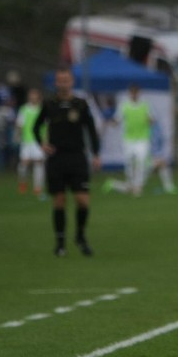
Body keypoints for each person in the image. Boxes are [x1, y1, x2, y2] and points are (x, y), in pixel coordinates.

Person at [33, 67, 101, 257]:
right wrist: (42, 144)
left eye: (66, 80)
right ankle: (60, 243)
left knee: (82, 200)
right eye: (60, 80)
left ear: (72, 82)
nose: (63, 83)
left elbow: (91, 129)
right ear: (56, 83)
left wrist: (95, 154)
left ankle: (80, 236)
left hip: (77, 157)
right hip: (56, 158)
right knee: (60, 201)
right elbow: (36, 127)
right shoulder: (49, 104)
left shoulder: (81, 104)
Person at [103, 84, 154, 197]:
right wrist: (110, 122)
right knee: (129, 162)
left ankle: (138, 186)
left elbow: (151, 119)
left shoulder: (145, 105)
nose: (134, 95)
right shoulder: (124, 105)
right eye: (132, 92)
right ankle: (131, 183)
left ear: (139, 93)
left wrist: (150, 121)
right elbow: (117, 119)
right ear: (130, 93)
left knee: (141, 161)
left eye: (136, 92)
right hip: (129, 139)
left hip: (142, 138)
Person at [15, 88, 46, 198]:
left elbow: (46, 125)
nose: (33, 97)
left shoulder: (42, 109)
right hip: (27, 140)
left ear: (38, 97)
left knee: (39, 162)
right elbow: (19, 124)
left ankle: (38, 188)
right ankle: (22, 182)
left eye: (35, 95)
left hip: (39, 140)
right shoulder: (24, 109)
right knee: (24, 163)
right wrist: (17, 135)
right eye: (31, 95)